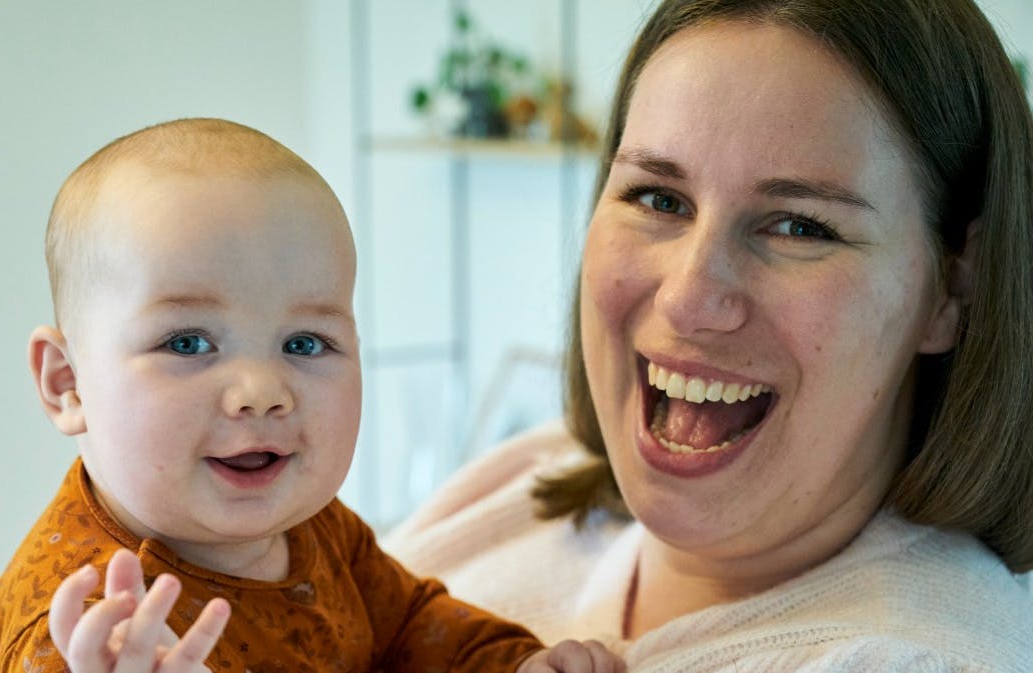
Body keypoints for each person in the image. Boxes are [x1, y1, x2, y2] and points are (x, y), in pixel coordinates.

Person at [386, 0, 1033, 670]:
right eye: (658, 199)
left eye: (799, 226)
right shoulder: (526, 476)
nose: (688, 297)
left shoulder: (911, 658)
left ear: (955, 288)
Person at [0, 117, 624, 673]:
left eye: (305, 343)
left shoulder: (314, 525)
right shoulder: (89, 631)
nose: (261, 393)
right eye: (188, 343)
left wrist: (511, 663)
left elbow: (411, 626)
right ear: (67, 382)